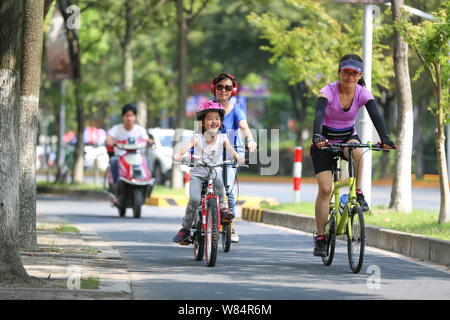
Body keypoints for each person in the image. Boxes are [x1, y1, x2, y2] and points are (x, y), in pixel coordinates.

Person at [310, 54, 396, 257]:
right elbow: (319, 113)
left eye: (354, 73)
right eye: (345, 72)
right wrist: (316, 135)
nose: (349, 76)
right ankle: (321, 238)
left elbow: (376, 115)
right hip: (324, 140)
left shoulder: (363, 93)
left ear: (359, 75)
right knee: (325, 189)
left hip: (348, 136)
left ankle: (358, 193)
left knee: (358, 151)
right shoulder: (328, 90)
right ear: (340, 73)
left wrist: (385, 137)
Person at [172, 101, 245, 244]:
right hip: (198, 174)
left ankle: (223, 210)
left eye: (217, 118)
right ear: (203, 122)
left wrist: (238, 158)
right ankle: (185, 229)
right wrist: (178, 156)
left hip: (214, 171)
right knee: (194, 200)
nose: (214, 121)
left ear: (221, 122)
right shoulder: (197, 138)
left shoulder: (223, 138)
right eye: (210, 118)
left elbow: (232, 152)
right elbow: (182, 151)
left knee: (221, 186)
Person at [211, 73, 257, 243]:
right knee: (203, 184)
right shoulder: (207, 107)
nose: (223, 90)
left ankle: (230, 226)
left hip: (232, 152)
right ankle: (199, 219)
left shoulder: (236, 110)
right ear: (214, 88)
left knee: (228, 188)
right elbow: (199, 129)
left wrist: (250, 139)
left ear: (233, 90)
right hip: (210, 151)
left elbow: (244, 127)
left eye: (228, 87)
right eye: (220, 86)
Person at [106, 103, 154, 184]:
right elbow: (109, 138)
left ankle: (148, 183)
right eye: (127, 115)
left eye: (131, 115)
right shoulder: (116, 129)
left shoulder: (140, 129)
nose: (129, 118)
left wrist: (150, 142)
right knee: (113, 161)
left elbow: (146, 140)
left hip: (136, 157)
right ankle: (116, 184)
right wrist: (110, 142)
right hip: (120, 157)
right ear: (123, 117)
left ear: (135, 117)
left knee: (147, 161)